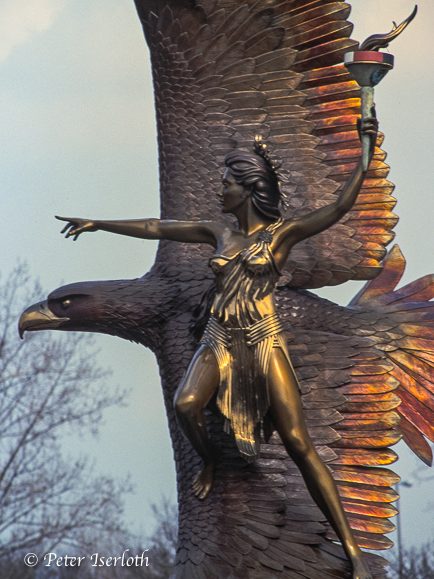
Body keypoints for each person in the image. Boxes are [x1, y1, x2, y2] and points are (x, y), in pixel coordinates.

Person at [57, 116, 377, 579]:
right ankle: (209, 463)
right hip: (219, 339)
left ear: (248, 189)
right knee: (186, 403)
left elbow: (341, 205)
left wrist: (366, 145)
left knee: (298, 442)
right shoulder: (219, 234)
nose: (220, 190)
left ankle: (352, 552)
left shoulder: (281, 234)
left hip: (264, 340)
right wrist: (99, 223)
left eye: (227, 183)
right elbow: (156, 226)